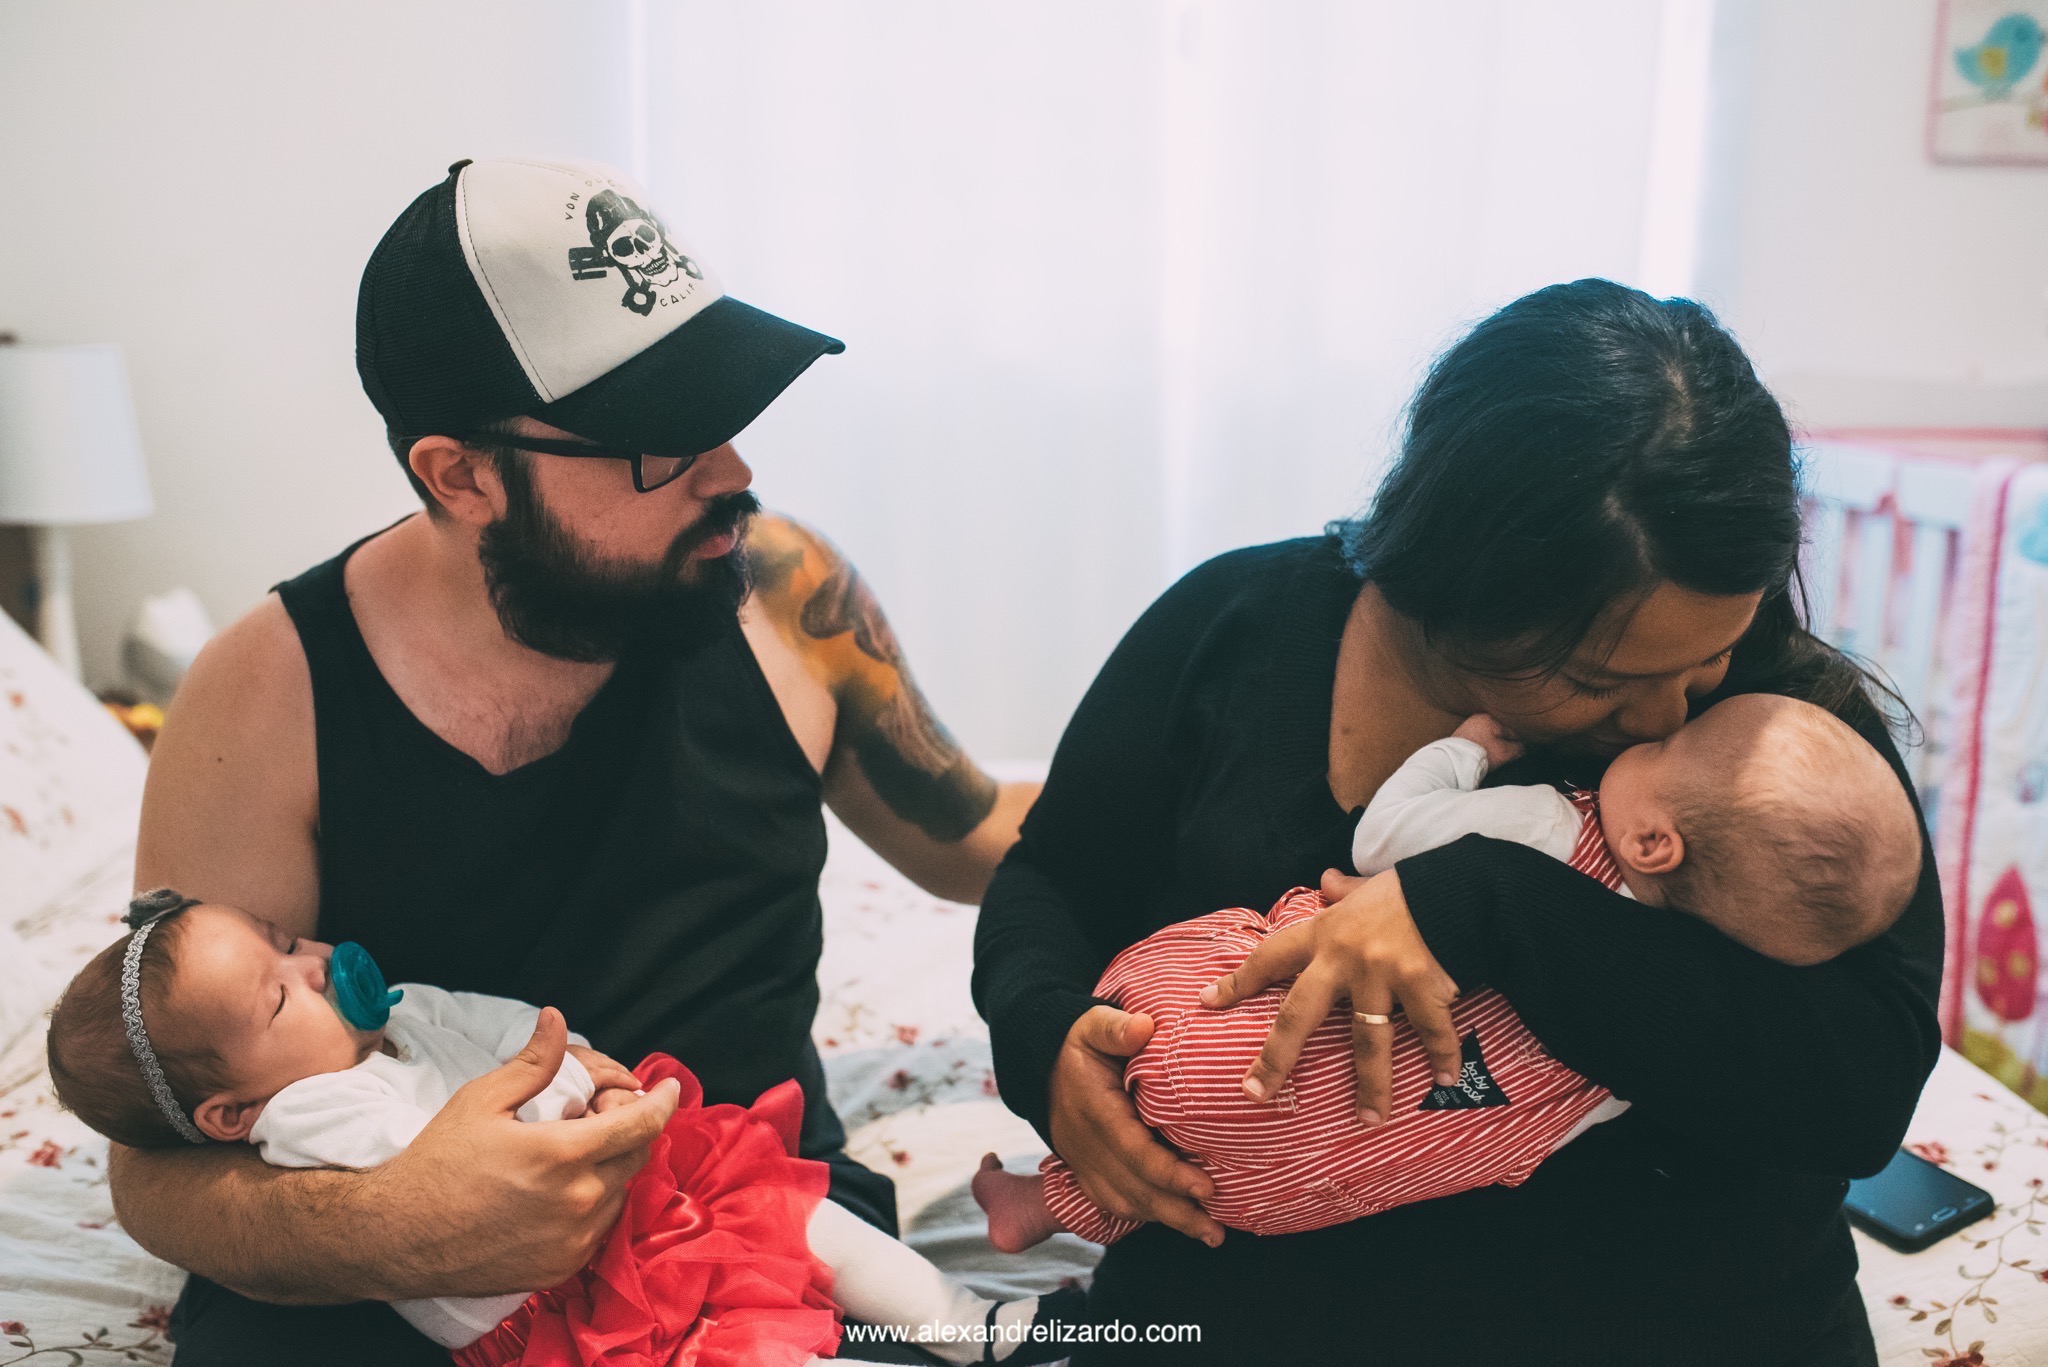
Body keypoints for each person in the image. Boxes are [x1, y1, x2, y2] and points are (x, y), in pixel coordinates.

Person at [111, 157, 1037, 1366]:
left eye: (723, 408)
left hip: (741, 1225)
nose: (730, 473)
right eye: (656, 443)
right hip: (386, 1285)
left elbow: (981, 839)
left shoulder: (781, 593)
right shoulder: (268, 694)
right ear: (459, 474)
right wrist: (399, 1221)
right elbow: (156, 1156)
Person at [972, 279, 1943, 1365]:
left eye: (1709, 656)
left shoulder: (1784, 739)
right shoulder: (1234, 627)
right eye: (1594, 679)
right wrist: (1044, 1042)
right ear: (1448, 581)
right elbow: (1049, 880)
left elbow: (1855, 1089)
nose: (1667, 714)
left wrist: (1487, 902)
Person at [971, 696, 1921, 1252]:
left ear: (1654, 839)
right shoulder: (1670, 1015)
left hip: (1207, 1035)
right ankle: (1048, 1201)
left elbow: (1385, 838)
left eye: (1669, 746)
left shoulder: (1555, 825)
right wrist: (1037, 1031)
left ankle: (1045, 1190)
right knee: (1215, 1173)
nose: (1660, 718)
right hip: (1311, 1181)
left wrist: (1464, 752)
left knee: (1227, 959)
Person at [51, 893, 1080, 1367]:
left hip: (635, 1195)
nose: (314, 965)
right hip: (567, 1304)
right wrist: (559, 1099)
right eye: (279, 996)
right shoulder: (309, 1116)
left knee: (802, 1216)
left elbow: (503, 1024)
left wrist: (580, 1058)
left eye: (287, 942)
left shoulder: (393, 1014)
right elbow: (443, 1163)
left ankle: (972, 1321)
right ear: (230, 1113)